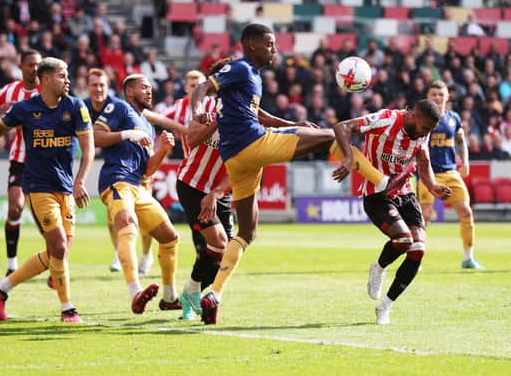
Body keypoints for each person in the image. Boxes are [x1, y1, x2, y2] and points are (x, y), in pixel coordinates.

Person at [191, 24, 413, 324]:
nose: (275, 48)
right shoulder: (242, 68)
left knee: (246, 232)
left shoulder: (251, 78)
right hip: (253, 143)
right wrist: (196, 110)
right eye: (269, 43)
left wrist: (292, 126)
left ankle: (214, 293)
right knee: (330, 134)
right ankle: (381, 180)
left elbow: (259, 115)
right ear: (251, 45)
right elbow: (205, 86)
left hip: (237, 160)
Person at [0, 57, 94, 323]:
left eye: (67, 75)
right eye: (62, 75)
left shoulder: (76, 107)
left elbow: (88, 149)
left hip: (66, 187)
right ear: (46, 79)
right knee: (57, 246)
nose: (68, 80)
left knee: (61, 251)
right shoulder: (24, 108)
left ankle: (1, 288)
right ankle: (68, 309)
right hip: (37, 186)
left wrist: (80, 181)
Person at [334, 99, 452, 324]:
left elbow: (423, 160)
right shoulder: (386, 119)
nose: (425, 133)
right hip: (377, 195)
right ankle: (378, 268)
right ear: (414, 115)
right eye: (425, 128)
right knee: (404, 240)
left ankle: (385, 306)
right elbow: (342, 126)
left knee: (418, 249)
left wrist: (433, 185)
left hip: (405, 194)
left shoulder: (422, 133)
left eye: (429, 130)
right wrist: (349, 157)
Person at [94, 73, 181, 314]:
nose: (150, 91)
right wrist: (127, 134)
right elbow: (94, 136)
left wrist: (163, 150)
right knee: (128, 224)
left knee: (170, 237)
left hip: (139, 186)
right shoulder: (119, 106)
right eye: (144, 88)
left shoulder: (148, 125)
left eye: (150, 88)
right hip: (117, 180)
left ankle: (170, 297)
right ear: (130, 91)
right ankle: (135, 292)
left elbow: (147, 170)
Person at [175, 62, 235, 321]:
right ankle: (191, 294)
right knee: (216, 244)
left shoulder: (246, 115)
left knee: (227, 251)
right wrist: (214, 124)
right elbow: (192, 139)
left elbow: (243, 162)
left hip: (219, 191)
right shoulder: (207, 106)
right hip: (193, 185)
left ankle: (192, 290)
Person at [0, 50, 42, 276]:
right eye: (30, 64)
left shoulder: (48, 89)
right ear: (20, 66)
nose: (34, 69)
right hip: (20, 157)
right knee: (15, 207)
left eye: (38, 65)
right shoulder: (10, 91)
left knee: (46, 217)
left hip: (46, 159)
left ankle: (55, 260)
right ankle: (12, 263)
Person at [420, 81, 483, 269]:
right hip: (427, 173)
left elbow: (460, 140)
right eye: (433, 94)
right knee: (424, 215)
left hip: (450, 172)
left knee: (466, 211)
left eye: (441, 94)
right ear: (428, 96)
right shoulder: (421, 118)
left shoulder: (453, 118)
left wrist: (465, 161)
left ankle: (468, 258)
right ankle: (417, 259)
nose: (437, 97)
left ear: (447, 96)